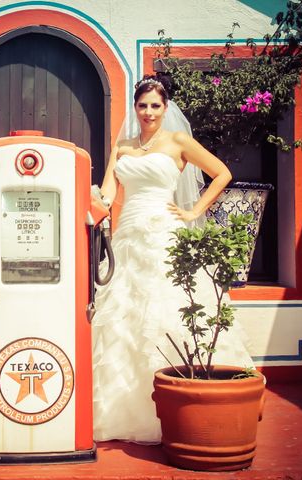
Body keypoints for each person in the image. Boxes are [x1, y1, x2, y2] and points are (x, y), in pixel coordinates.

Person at [91, 74, 254, 443]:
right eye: (143, 105)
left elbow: (221, 173)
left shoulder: (178, 141)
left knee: (168, 309)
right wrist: (87, 199)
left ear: (165, 109)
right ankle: (120, 410)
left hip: (164, 232)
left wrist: (194, 211)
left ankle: (184, 402)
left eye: (155, 106)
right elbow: (107, 192)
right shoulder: (123, 148)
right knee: (123, 319)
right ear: (135, 108)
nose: (148, 112)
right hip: (128, 236)